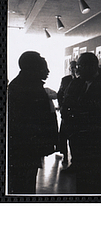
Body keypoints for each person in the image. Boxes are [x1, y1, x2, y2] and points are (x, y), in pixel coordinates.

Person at [60, 53, 101, 193]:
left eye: (82, 66)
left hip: (96, 141)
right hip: (79, 139)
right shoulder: (77, 83)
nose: (79, 69)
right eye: (79, 66)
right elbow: (66, 105)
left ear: (92, 67)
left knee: (94, 180)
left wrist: (83, 113)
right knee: (81, 179)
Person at [7, 51, 58, 194]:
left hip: (25, 146)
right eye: (43, 68)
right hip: (26, 147)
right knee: (24, 184)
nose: (47, 71)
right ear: (33, 68)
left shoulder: (24, 85)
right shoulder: (27, 87)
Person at [57, 60, 77, 165]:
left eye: (75, 67)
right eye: (71, 68)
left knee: (74, 138)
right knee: (63, 135)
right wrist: (61, 106)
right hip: (66, 113)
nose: (73, 70)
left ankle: (74, 159)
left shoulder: (82, 81)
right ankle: (65, 155)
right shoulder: (65, 80)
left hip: (75, 115)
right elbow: (60, 94)